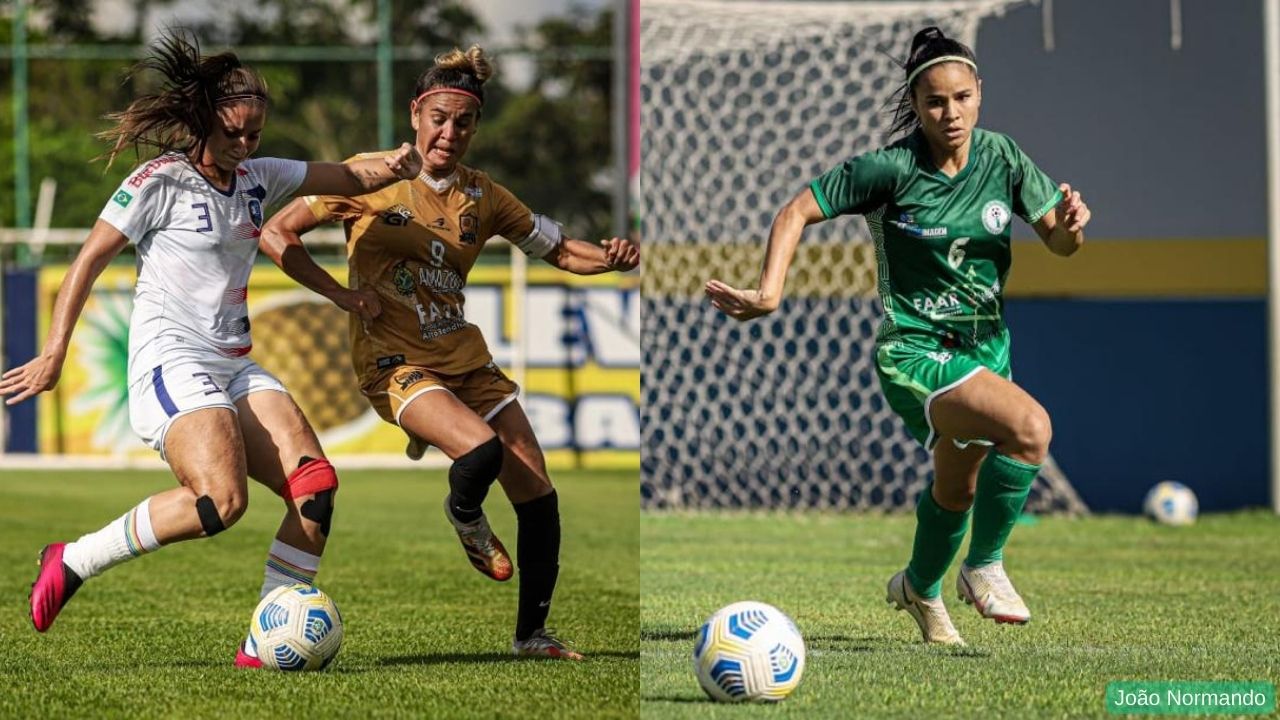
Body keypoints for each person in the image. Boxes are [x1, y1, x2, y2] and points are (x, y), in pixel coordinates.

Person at [0, 31, 423, 667]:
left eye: (255, 134)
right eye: (234, 133)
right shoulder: (158, 181)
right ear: (204, 122)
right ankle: (74, 559)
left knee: (315, 488)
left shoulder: (260, 176)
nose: (245, 145)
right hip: (170, 359)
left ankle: (263, 640)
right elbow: (89, 258)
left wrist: (394, 165)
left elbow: (346, 175)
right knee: (219, 502)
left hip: (233, 361)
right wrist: (55, 351)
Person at [705, 27, 1090, 646]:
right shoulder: (890, 168)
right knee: (1031, 428)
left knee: (956, 487)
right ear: (915, 103)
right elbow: (795, 210)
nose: (951, 112)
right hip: (914, 349)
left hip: (985, 349)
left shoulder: (1004, 158)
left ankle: (919, 587)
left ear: (979, 94)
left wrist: (1072, 226)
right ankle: (984, 566)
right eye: (936, 101)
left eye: (962, 97)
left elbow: (1060, 243)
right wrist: (770, 290)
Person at [259, 45, 640, 660]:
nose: (449, 132)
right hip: (393, 360)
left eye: (463, 122)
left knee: (539, 495)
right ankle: (465, 515)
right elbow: (277, 233)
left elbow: (564, 251)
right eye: (439, 117)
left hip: (464, 358)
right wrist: (341, 295)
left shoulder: (484, 197)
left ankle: (531, 638)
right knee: (481, 450)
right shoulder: (368, 176)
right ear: (416, 114)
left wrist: (619, 257)